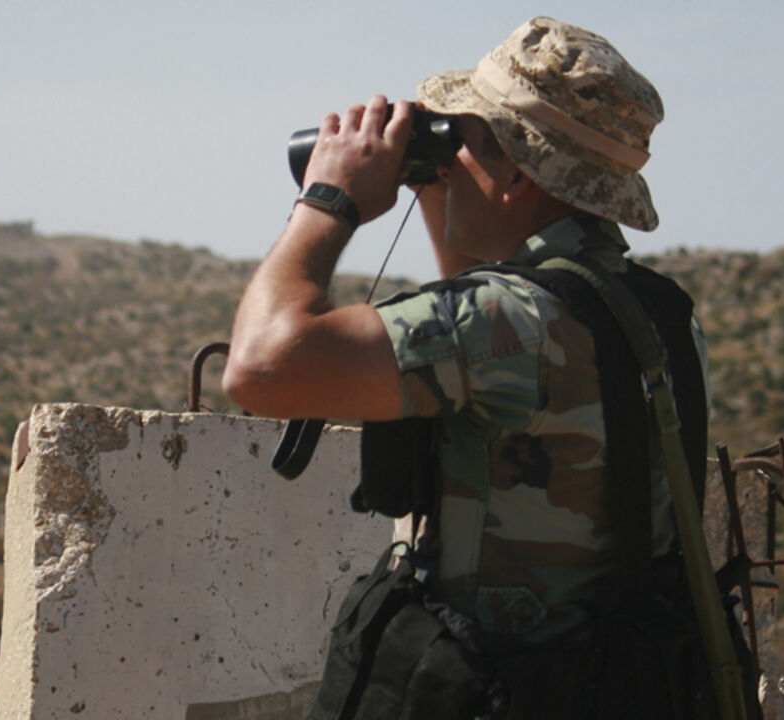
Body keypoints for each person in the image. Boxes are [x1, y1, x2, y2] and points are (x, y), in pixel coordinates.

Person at [223, 16, 741, 719]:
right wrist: (440, 187)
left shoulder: (503, 323)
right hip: (604, 680)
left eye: (458, 143)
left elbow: (259, 368)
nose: (442, 159)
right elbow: (477, 320)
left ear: (516, 174)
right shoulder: (660, 313)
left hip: (494, 688)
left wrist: (329, 201)